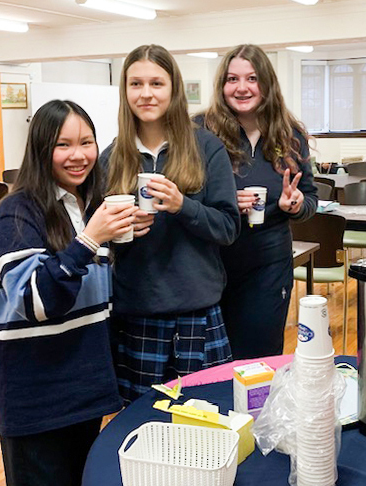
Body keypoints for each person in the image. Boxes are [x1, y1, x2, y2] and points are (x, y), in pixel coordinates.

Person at [0, 100, 137, 486]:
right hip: (35, 402)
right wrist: (89, 240)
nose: (78, 155)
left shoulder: (89, 206)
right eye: (63, 144)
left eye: (86, 142)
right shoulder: (15, 214)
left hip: (84, 392)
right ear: (41, 149)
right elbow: (35, 302)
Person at [102, 44, 239, 404]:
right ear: (125, 91)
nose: (146, 94)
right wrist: (116, 232)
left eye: (156, 83)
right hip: (135, 314)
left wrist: (183, 206)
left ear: (174, 89)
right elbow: (94, 237)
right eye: (136, 84)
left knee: (206, 419)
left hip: (196, 312)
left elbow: (228, 228)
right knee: (140, 421)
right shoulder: (112, 157)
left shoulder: (206, 148)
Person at [195, 44, 318, 359]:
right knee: (211, 362)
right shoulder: (199, 131)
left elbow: (310, 199)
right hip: (210, 265)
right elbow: (184, 196)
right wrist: (222, 202)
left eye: (252, 78)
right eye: (232, 79)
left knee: (259, 358)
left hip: (268, 266)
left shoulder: (290, 135)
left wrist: (296, 205)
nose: (242, 87)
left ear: (267, 84)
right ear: (222, 85)